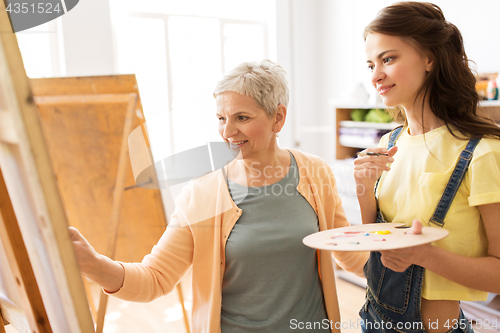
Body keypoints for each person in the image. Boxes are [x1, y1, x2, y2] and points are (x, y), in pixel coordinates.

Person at [70, 59, 369, 333]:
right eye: (221, 118)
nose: (227, 131)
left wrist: (403, 259)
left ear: (278, 118)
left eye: (241, 117)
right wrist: (93, 264)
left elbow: (349, 252)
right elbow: (155, 278)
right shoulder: (201, 194)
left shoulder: (315, 172)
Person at [354, 2, 500, 333]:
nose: (376, 75)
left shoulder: (482, 152)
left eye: (388, 59)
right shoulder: (391, 143)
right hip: (373, 321)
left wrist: (426, 256)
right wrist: (364, 187)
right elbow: (374, 244)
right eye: (370, 64)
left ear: (429, 58)